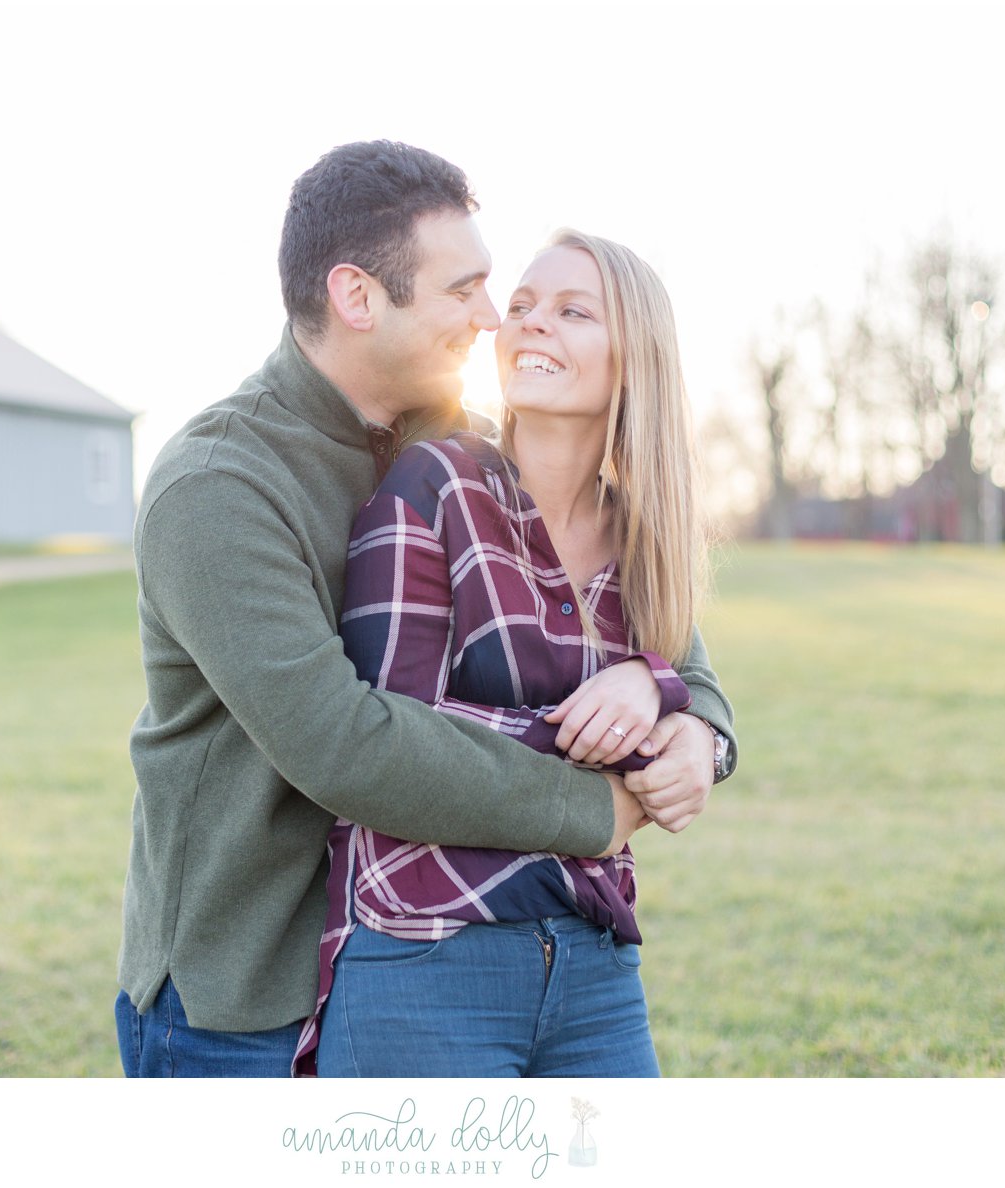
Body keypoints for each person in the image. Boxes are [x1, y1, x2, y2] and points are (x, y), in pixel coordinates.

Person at [115, 142, 736, 1077]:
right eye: (466, 291)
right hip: (246, 995)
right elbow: (345, 744)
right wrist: (596, 809)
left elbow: (671, 650)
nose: (493, 320)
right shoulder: (218, 485)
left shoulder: (467, 453)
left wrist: (691, 725)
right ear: (358, 297)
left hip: (422, 959)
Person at [301, 230, 719, 1077]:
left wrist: (667, 701)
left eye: (571, 312)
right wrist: (632, 741)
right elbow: (397, 741)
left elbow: (697, 689)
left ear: (634, 357)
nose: (529, 325)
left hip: (594, 962)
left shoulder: (646, 538)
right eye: (521, 308)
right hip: (423, 952)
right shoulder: (435, 485)